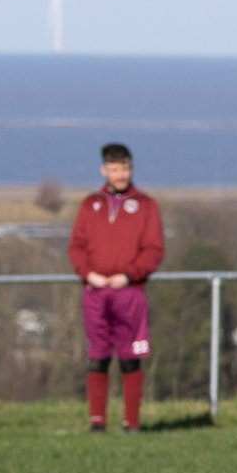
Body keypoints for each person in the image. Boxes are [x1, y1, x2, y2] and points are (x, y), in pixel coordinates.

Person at [67, 142, 164, 433]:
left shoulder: (145, 205)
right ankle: (97, 422)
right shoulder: (90, 204)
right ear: (104, 170)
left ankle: (130, 424)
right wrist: (89, 274)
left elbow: (153, 249)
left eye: (124, 168)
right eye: (114, 169)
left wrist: (128, 275)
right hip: (96, 292)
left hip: (129, 293)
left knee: (130, 357)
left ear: (130, 169)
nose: (119, 175)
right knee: (97, 356)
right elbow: (77, 247)